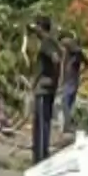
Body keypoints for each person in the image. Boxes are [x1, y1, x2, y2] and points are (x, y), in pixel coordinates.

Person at [25, 15, 61, 165]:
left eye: (37, 28)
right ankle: (41, 155)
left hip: (43, 88)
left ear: (41, 27)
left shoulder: (47, 43)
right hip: (47, 87)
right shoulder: (52, 42)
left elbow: (56, 59)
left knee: (40, 124)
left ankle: (40, 158)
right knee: (44, 122)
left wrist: (50, 77)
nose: (35, 31)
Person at [59, 31, 85, 133]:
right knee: (69, 103)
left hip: (69, 81)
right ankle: (68, 125)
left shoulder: (71, 51)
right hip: (73, 80)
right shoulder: (75, 54)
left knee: (65, 103)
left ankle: (68, 125)